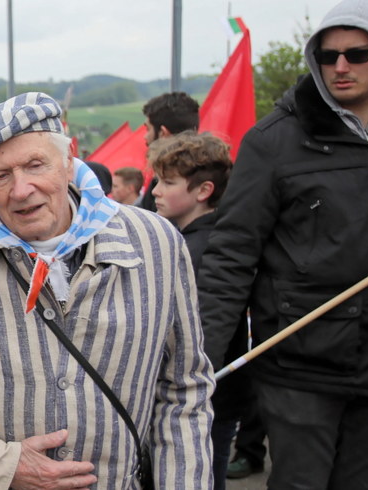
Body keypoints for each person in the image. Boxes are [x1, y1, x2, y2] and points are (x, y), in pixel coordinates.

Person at [0, 92, 214, 489]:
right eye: (1, 175)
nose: (21, 189)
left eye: (36, 165)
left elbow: (186, 388)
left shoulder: (156, 242)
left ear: (68, 162)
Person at [199, 0, 368, 489]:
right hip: (301, 363)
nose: (340, 66)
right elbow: (231, 255)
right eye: (328, 56)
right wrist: (199, 360)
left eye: (356, 54)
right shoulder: (274, 142)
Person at [148, 131, 240, 488]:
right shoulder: (185, 239)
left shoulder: (203, 250)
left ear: (203, 191)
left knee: (203, 471)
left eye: (167, 182)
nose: (155, 190)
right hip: (213, 395)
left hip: (210, 395)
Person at [137, 92, 199, 211]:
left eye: (148, 129)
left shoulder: (161, 194)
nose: (145, 137)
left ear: (163, 133)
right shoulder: (214, 174)